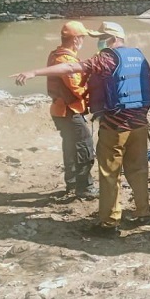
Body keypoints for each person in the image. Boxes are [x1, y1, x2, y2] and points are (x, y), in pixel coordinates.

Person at [12, 22, 150, 237]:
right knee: (139, 170)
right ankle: (144, 212)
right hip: (140, 124)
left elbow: (70, 68)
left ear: (111, 38)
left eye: (101, 37)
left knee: (110, 174)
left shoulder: (105, 58)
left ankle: (109, 223)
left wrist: (34, 72)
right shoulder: (139, 55)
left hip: (114, 127)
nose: (98, 42)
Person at [46, 21, 98, 199]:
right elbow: (77, 88)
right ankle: (85, 187)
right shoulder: (65, 60)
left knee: (70, 147)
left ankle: (73, 184)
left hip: (60, 111)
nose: (83, 41)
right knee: (84, 147)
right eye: (82, 37)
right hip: (69, 111)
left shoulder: (55, 54)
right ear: (76, 39)